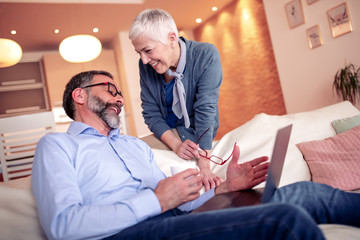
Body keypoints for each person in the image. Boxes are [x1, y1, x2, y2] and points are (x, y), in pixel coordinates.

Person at [31, 70, 360, 240]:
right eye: (110, 90)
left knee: (302, 193)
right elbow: (63, 226)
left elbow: (179, 199)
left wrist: (225, 189)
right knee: (284, 220)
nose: (119, 99)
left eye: (121, 94)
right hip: (125, 235)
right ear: (80, 96)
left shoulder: (133, 146)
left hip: (176, 220)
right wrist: (157, 201)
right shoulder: (58, 146)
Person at [129, 8, 223, 191]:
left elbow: (206, 110)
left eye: (147, 50)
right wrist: (176, 144)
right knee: (132, 151)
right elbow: (151, 113)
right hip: (168, 133)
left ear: (172, 39)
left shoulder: (205, 55)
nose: (144, 60)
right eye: (139, 53)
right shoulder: (146, 65)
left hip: (196, 132)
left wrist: (204, 166)